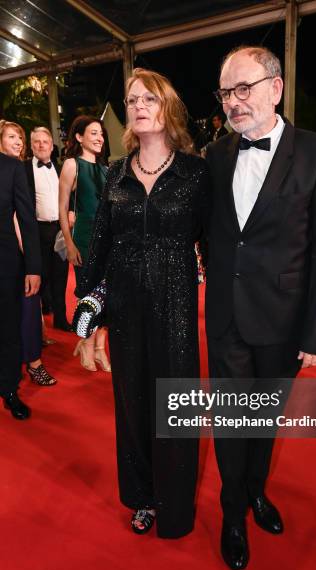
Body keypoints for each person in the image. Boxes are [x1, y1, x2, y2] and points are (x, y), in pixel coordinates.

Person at [205, 46, 316, 570]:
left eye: (244, 89)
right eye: (225, 93)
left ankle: (256, 491)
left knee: (264, 421)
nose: (233, 102)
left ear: (276, 88)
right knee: (232, 422)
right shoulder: (216, 156)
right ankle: (232, 511)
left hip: (283, 322)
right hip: (225, 318)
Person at [75, 68, 210, 538]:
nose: (138, 105)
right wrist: (88, 309)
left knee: (175, 406)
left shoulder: (195, 172)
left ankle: (174, 504)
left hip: (176, 306)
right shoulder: (115, 172)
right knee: (131, 405)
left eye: (149, 98)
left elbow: (215, 244)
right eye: (132, 100)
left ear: (168, 106)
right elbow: (99, 247)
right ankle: (142, 496)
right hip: (126, 305)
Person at [0, 120, 56, 387]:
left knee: (28, 309)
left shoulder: (19, 169)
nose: (18, 142)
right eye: (12, 137)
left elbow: (25, 217)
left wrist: (31, 262)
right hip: (13, 252)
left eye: (20, 137)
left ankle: (33, 363)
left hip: (22, 254)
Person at [59, 116, 110, 372]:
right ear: (79, 137)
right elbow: (62, 207)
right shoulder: (72, 165)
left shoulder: (106, 168)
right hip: (85, 240)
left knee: (108, 295)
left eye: (101, 133)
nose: (100, 138)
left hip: (108, 242)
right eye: (93, 133)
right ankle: (86, 345)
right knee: (89, 293)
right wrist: (68, 243)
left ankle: (100, 347)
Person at [0, 128, 41, 418]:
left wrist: (33, 268)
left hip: (5, 262)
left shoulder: (12, 168)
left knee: (9, 327)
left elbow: (27, 219)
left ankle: (9, 389)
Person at [25, 126, 70, 330]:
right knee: (39, 277)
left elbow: (71, 196)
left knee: (60, 275)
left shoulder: (61, 168)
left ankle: (61, 319)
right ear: (31, 145)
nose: (41, 145)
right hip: (37, 231)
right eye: (37, 141)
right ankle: (38, 323)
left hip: (60, 230)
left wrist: (71, 214)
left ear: (52, 146)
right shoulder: (24, 169)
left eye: (45, 141)